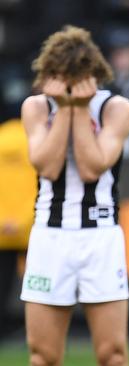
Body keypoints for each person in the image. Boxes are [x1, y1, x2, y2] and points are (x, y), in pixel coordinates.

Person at [19, 26, 129, 366]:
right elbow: (48, 167)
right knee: (43, 356)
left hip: (100, 236)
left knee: (112, 355)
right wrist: (66, 109)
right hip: (50, 234)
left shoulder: (116, 107)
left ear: (93, 74)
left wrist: (79, 109)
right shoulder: (36, 107)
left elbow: (91, 167)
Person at [0, 117, 37, 341]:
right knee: (44, 283)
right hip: (34, 228)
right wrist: (23, 221)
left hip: (3, 229)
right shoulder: (35, 140)